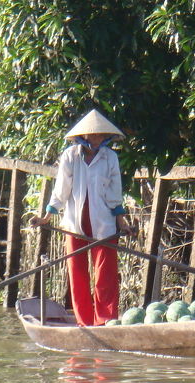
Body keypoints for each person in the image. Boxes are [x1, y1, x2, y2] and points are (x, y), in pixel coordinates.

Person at [31, 109, 134, 326]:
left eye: (100, 135)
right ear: (84, 136)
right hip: (74, 223)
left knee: (105, 275)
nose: (97, 139)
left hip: (103, 222)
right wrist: (47, 217)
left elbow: (115, 191)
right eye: (93, 135)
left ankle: (105, 321)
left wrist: (121, 221)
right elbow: (62, 189)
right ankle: (84, 321)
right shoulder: (70, 156)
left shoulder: (110, 158)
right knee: (77, 274)